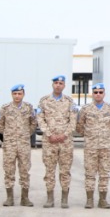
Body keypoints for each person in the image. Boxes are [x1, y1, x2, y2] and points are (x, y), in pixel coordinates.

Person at [75, 83, 110, 209]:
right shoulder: (85, 109)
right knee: (90, 173)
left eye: (100, 92)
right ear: (92, 94)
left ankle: (103, 200)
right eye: (95, 92)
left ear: (104, 94)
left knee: (104, 173)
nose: (98, 94)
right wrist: (89, 135)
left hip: (105, 147)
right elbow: (79, 126)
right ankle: (89, 200)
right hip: (91, 147)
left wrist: (107, 136)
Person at [38, 75, 76, 207]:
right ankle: (50, 199)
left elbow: (73, 121)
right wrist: (49, 134)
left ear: (64, 86)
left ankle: (64, 199)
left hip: (65, 143)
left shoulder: (69, 102)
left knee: (65, 171)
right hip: (49, 142)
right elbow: (40, 119)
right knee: (49, 170)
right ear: (52, 85)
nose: (58, 85)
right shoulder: (44, 101)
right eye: (56, 83)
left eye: (61, 83)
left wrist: (64, 134)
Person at [0, 84, 37, 206]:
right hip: (9, 144)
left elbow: (33, 123)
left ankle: (25, 198)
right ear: (12, 94)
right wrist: (9, 135)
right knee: (9, 170)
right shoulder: (5, 108)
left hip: (24, 144)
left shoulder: (29, 108)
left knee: (25, 170)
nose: (17, 96)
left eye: (19, 94)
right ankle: (9, 198)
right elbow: (0, 124)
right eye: (15, 94)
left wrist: (25, 134)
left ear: (23, 94)